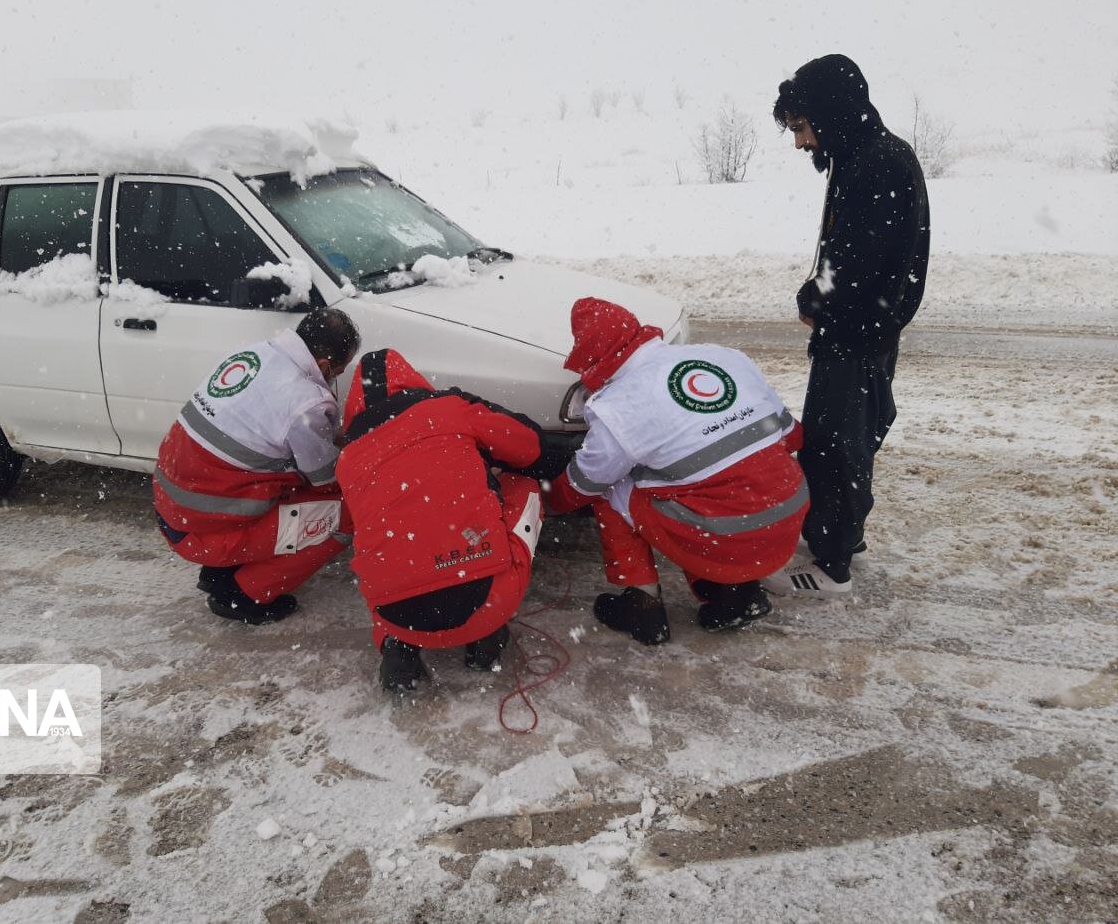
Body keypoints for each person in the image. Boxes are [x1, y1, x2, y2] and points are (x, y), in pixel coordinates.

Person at [547, 298, 808, 642]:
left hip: (728, 535)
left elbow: (585, 483)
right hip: (788, 513)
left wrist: (549, 503)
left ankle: (642, 607)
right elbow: (792, 436)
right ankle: (736, 595)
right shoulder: (723, 357)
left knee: (612, 489)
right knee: (706, 485)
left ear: (592, 356)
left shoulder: (620, 406)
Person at [765, 54, 930, 597]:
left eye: (801, 128)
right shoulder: (864, 155)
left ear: (831, 115)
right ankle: (840, 534)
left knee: (839, 442)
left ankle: (833, 563)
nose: (800, 143)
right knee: (845, 435)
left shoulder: (878, 162)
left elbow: (855, 262)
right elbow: (849, 255)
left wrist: (816, 296)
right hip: (860, 327)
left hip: (858, 331)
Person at [336, 348, 567, 691]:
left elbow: (353, 530)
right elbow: (529, 447)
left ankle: (396, 648)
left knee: (387, 549)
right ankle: (485, 635)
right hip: (490, 601)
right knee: (524, 481)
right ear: (412, 381)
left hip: (396, 617)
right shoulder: (446, 408)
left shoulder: (347, 460)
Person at [153, 308, 360, 623]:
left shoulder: (253, 353)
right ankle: (242, 595)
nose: (337, 378)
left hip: (173, 512)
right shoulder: (307, 403)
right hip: (201, 530)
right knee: (345, 512)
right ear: (323, 364)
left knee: (271, 478)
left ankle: (220, 572)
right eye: (339, 370)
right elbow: (325, 479)